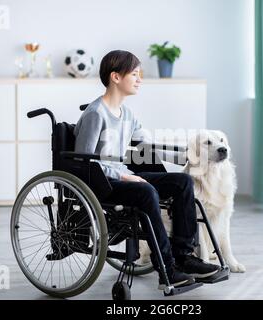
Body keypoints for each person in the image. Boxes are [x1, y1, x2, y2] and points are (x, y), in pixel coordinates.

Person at [74, 50, 219, 289]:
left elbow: (151, 148)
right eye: (134, 74)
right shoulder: (95, 113)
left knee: (182, 182)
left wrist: (190, 154)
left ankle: (184, 257)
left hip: (123, 175)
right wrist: (124, 175)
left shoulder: (127, 114)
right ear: (116, 77)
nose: (139, 79)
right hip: (103, 183)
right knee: (147, 191)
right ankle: (167, 270)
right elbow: (85, 162)